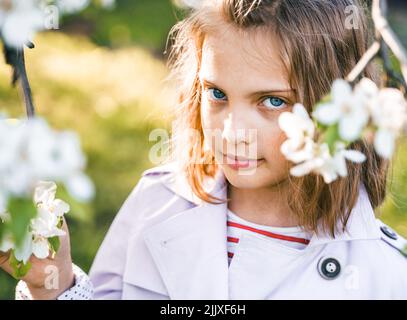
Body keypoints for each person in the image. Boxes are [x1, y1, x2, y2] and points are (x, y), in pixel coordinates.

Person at [2, 0, 407, 299]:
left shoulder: (384, 274)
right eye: (217, 94)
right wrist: (51, 283)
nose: (233, 131)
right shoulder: (157, 202)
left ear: (334, 104)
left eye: (272, 101)